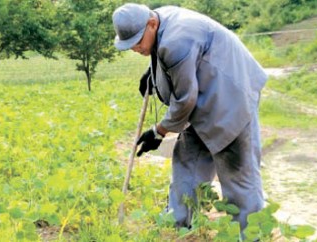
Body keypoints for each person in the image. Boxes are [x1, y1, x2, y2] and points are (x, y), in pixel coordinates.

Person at [112, 3, 268, 234]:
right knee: (188, 160)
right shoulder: (159, 21)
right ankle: (178, 223)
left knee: (238, 174)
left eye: (136, 41)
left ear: (151, 24)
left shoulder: (176, 40)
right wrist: (154, 74)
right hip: (204, 97)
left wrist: (159, 131)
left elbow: (185, 100)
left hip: (230, 96)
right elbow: (172, 61)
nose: (134, 48)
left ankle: (251, 234)